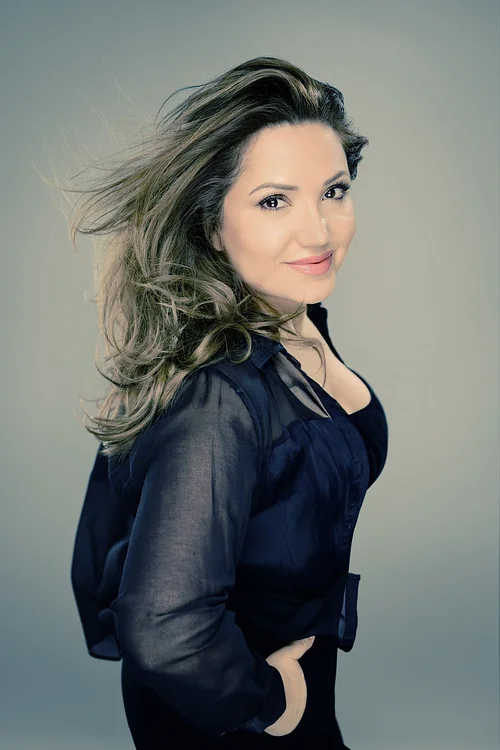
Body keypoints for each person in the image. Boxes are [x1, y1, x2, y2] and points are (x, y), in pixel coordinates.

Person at [68, 56, 389, 748]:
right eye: (274, 201)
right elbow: (160, 625)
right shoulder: (218, 396)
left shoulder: (293, 323)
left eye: (333, 191)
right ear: (213, 226)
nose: (318, 231)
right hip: (234, 719)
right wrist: (269, 701)